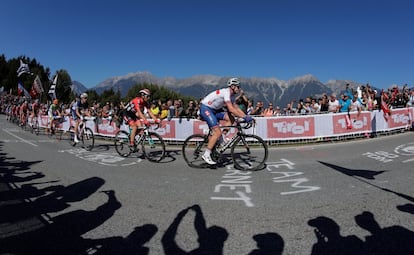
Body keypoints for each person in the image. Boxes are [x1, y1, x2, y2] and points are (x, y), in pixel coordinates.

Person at [199, 77, 253, 165]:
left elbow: (235, 107)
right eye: (238, 87)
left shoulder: (232, 96)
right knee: (217, 132)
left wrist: (246, 116)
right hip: (206, 108)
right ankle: (206, 154)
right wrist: (245, 118)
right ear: (232, 86)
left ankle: (221, 137)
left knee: (231, 119)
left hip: (214, 110)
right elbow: (231, 109)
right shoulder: (226, 93)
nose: (239, 89)